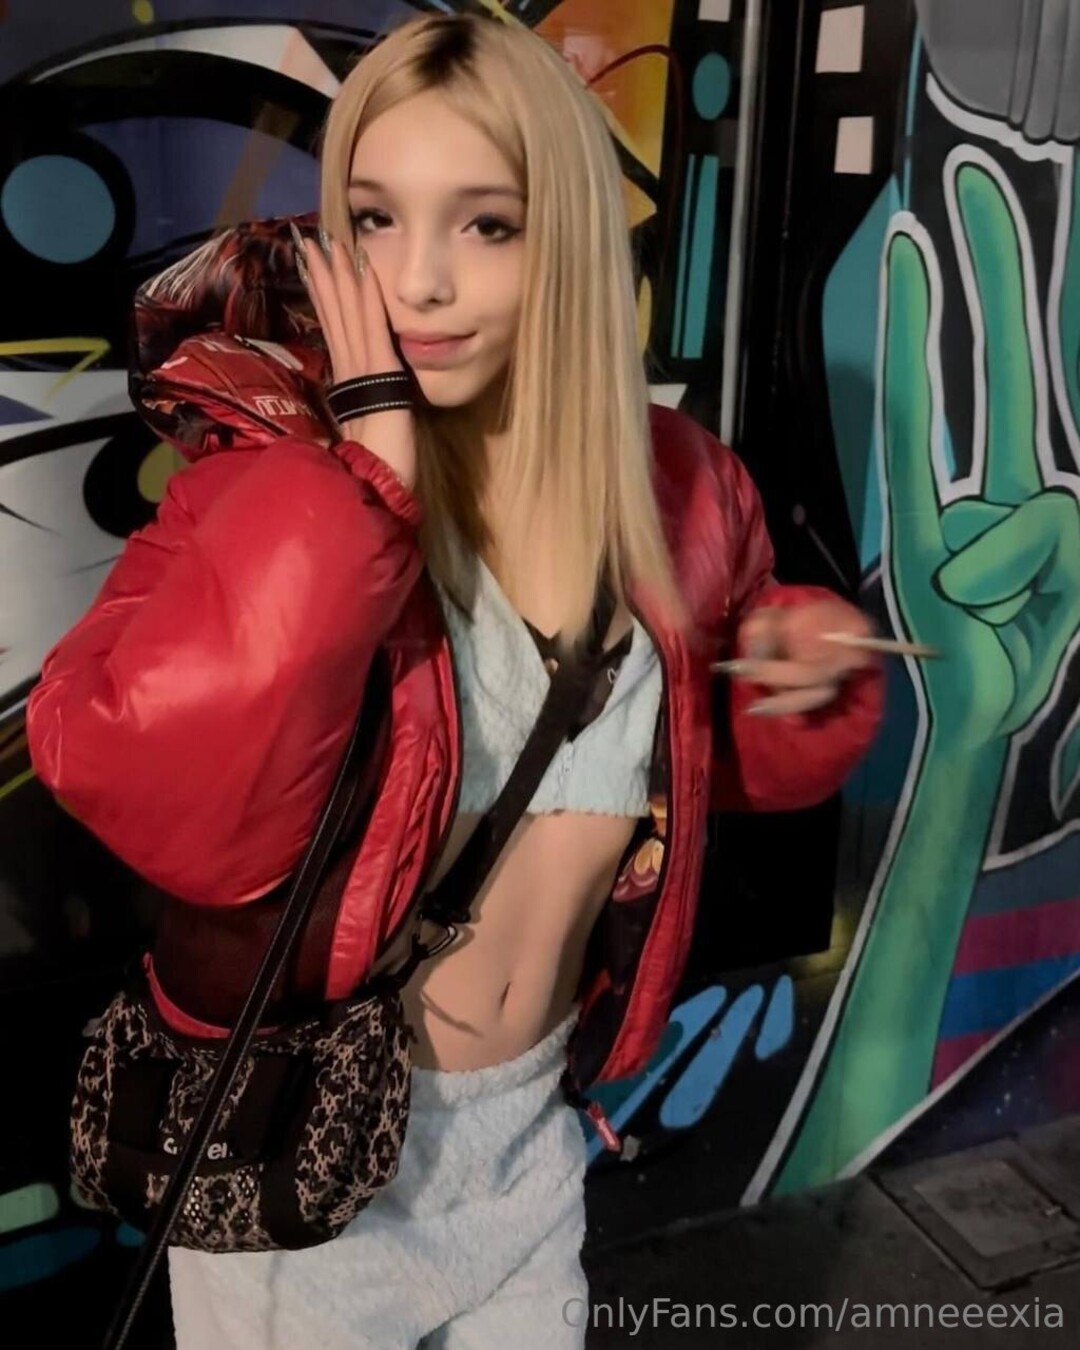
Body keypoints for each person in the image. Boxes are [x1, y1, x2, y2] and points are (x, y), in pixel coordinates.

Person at [26, 13, 884, 1349]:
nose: (419, 280)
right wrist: (364, 491)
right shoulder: (271, 483)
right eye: (375, 219)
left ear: (569, 242)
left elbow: (697, 754)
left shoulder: (677, 487)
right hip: (316, 1172)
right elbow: (127, 765)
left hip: (532, 1150)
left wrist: (794, 682)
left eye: (487, 224)